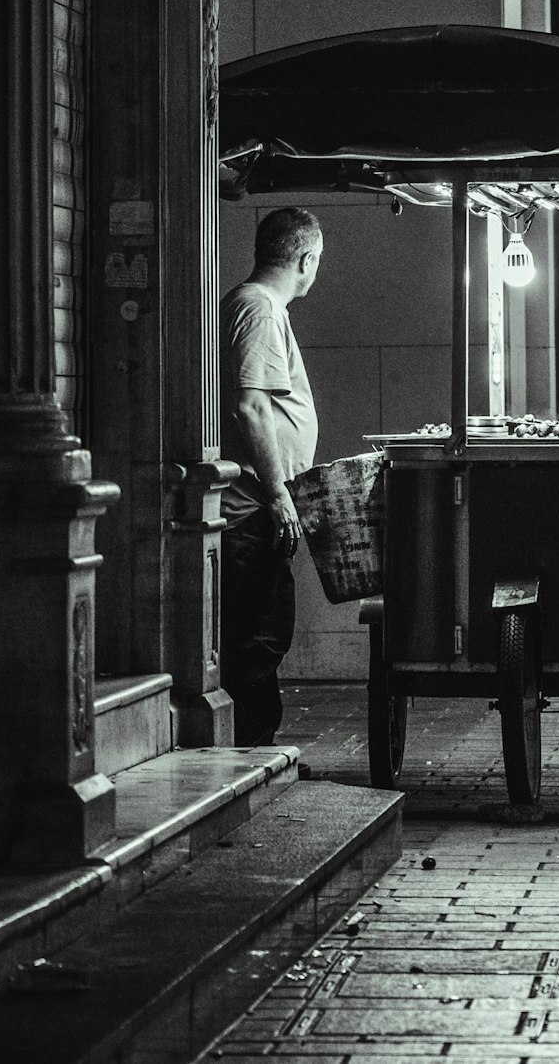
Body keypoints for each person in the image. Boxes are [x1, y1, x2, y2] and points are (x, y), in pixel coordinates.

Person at [219, 206, 323, 744]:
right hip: (250, 508)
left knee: (261, 627)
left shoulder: (254, 305)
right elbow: (251, 407)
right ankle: (253, 752)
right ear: (306, 259)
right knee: (259, 633)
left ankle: (255, 747)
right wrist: (280, 493)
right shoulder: (258, 309)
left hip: (253, 504)